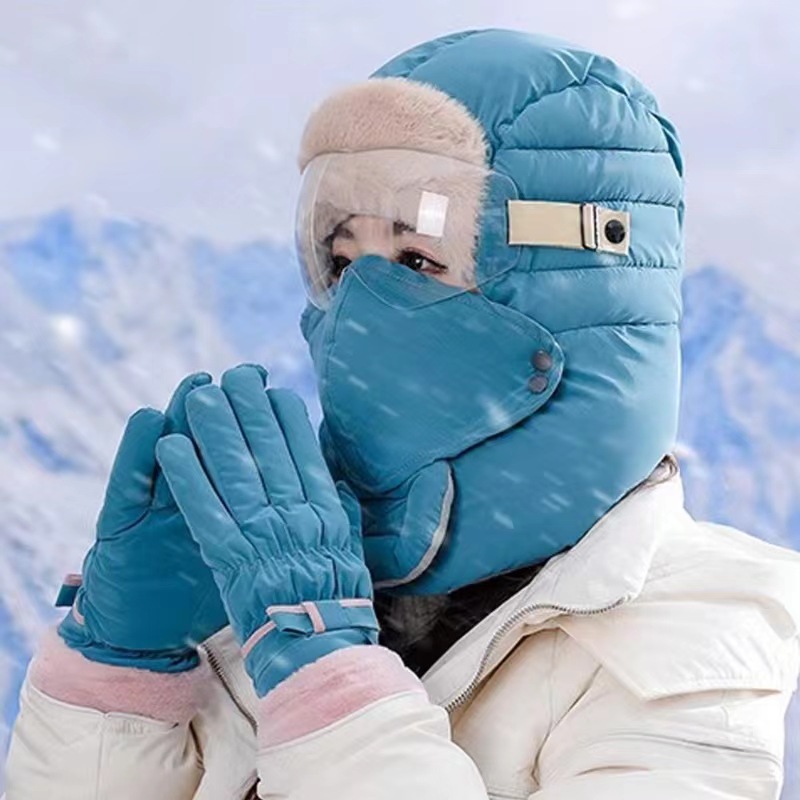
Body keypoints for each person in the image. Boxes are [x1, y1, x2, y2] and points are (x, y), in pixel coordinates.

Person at [6, 29, 800, 800]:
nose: (361, 310)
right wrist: (120, 679)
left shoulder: (698, 627)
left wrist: (329, 685)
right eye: (342, 261)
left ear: (575, 287)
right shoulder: (281, 581)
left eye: (417, 260)